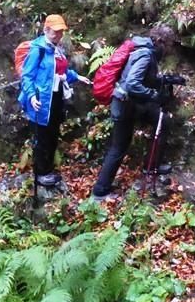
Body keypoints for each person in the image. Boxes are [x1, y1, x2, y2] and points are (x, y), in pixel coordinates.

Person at [91, 24, 177, 200]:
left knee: (161, 120)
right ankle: (100, 191)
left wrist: (165, 80)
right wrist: (154, 95)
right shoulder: (145, 54)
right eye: (168, 45)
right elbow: (132, 83)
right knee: (119, 147)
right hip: (124, 105)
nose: (169, 49)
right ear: (161, 42)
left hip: (132, 104)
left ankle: (151, 166)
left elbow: (144, 78)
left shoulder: (145, 50)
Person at [18, 14, 89, 190]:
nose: (58, 35)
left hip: (56, 98)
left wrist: (77, 77)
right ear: (46, 30)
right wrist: (32, 96)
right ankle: (41, 173)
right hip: (41, 100)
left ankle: (48, 169)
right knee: (42, 136)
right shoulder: (39, 50)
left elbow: (61, 72)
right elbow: (27, 76)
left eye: (61, 31)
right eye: (55, 31)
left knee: (53, 134)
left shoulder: (57, 50)